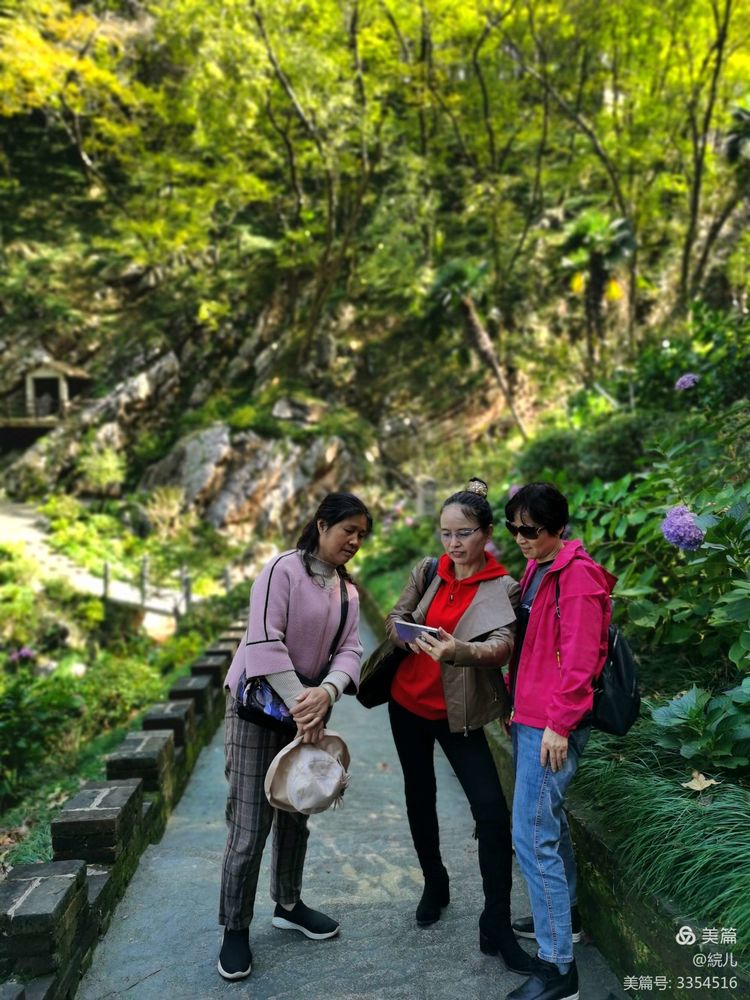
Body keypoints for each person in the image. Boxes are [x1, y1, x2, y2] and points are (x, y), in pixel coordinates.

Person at [217, 492, 372, 981]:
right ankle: (235, 927)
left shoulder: (347, 592)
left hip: (306, 712)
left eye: (362, 534)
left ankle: (287, 904)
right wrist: (304, 705)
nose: (355, 540)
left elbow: (350, 651)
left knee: (295, 812)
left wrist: (326, 692)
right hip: (257, 709)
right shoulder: (281, 570)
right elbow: (264, 640)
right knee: (249, 826)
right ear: (321, 525)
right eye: (348, 530)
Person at [385, 478, 535, 976]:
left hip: (459, 716)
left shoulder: (502, 587)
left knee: (491, 813)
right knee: (419, 793)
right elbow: (396, 615)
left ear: (486, 534)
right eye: (445, 533)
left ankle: (496, 922)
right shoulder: (429, 570)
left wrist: (458, 651)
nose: (453, 544)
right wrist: (406, 635)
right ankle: (435, 881)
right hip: (406, 704)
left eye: (463, 533)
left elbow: (502, 646)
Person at [504, 483, 615, 1000]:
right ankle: (564, 917)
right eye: (514, 528)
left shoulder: (578, 576)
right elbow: (532, 645)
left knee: (531, 836)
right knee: (546, 824)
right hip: (531, 716)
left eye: (530, 529)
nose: (521, 538)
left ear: (558, 528)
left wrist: (560, 724)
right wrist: (514, 701)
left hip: (552, 725)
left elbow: (581, 660)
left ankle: (557, 969)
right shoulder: (539, 567)